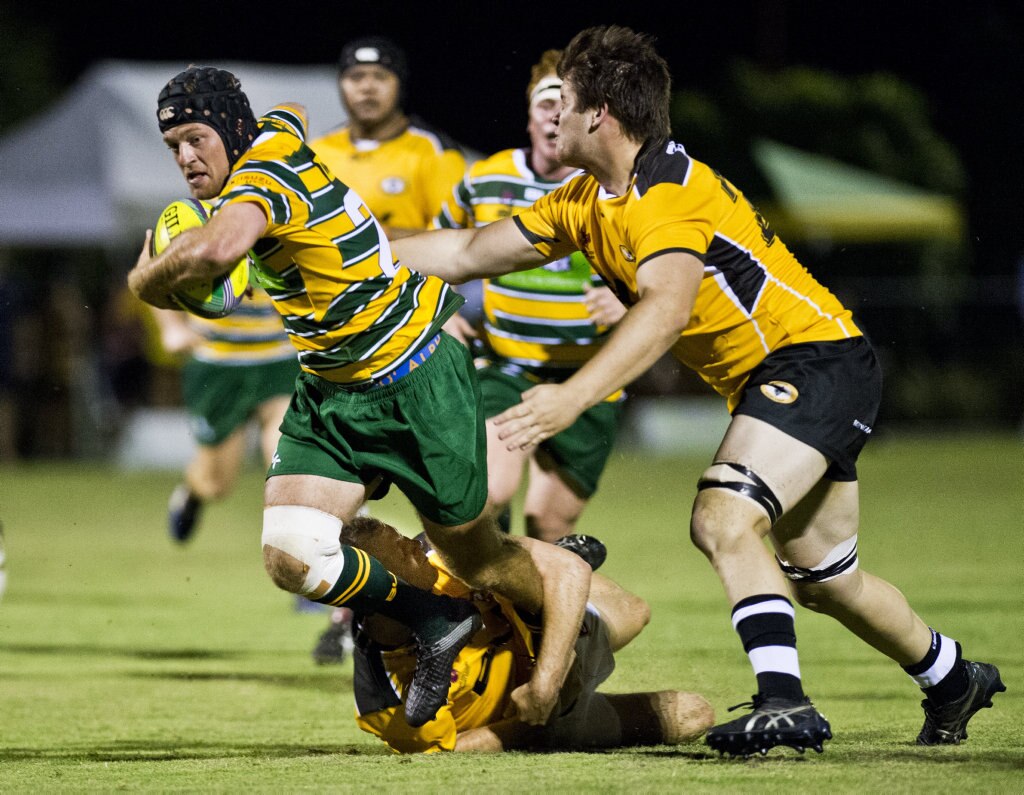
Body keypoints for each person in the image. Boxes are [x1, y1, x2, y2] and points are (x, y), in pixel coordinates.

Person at [391, 26, 1005, 755]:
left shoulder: (669, 190)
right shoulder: (586, 200)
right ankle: (952, 675)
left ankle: (784, 702)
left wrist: (574, 395)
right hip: (785, 379)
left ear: (604, 116)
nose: (553, 113)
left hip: (814, 361)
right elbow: (464, 251)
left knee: (721, 513)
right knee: (824, 577)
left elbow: (666, 309)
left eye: (569, 100)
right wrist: (340, 248)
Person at [128, 65, 590, 729]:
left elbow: (218, 249)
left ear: (231, 129)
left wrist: (149, 278)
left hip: (416, 378)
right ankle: (435, 618)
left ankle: (565, 593)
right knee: (290, 553)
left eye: (195, 139)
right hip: (331, 389)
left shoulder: (260, 177)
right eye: (173, 147)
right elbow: (289, 111)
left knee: (476, 554)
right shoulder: (274, 137)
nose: (184, 158)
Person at [307, 35, 471, 662]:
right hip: (343, 357)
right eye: (355, 76)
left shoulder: (431, 154)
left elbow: (462, 241)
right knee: (338, 488)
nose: (367, 87)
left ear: (399, 84)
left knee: (450, 496)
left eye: (380, 75)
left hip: (418, 348)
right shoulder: (317, 156)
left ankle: (464, 599)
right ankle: (352, 612)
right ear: (341, 85)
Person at [435, 49, 627, 542]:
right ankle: (478, 601)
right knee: (489, 493)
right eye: (547, 103)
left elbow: (668, 269)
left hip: (591, 379)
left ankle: (533, 613)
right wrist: (440, 311)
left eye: (567, 104)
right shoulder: (485, 180)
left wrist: (630, 300)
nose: (555, 115)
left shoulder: (612, 187)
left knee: (549, 525)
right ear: (528, 114)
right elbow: (435, 246)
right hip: (507, 369)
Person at [340, 515, 713, 753]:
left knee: (633, 610)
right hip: (538, 720)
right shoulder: (384, 702)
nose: (418, 549)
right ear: (382, 590)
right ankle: (544, 583)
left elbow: (572, 571)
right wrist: (536, 725)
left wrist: (545, 684)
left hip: (550, 653)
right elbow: (457, 747)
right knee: (695, 715)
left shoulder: (441, 558)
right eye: (405, 553)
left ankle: (539, 584)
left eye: (407, 540)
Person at [148, 288, 299, 543]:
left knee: (286, 460)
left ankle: (307, 543)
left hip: (280, 360)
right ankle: (193, 490)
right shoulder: (201, 244)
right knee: (216, 484)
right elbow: (154, 265)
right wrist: (172, 327)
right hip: (217, 364)